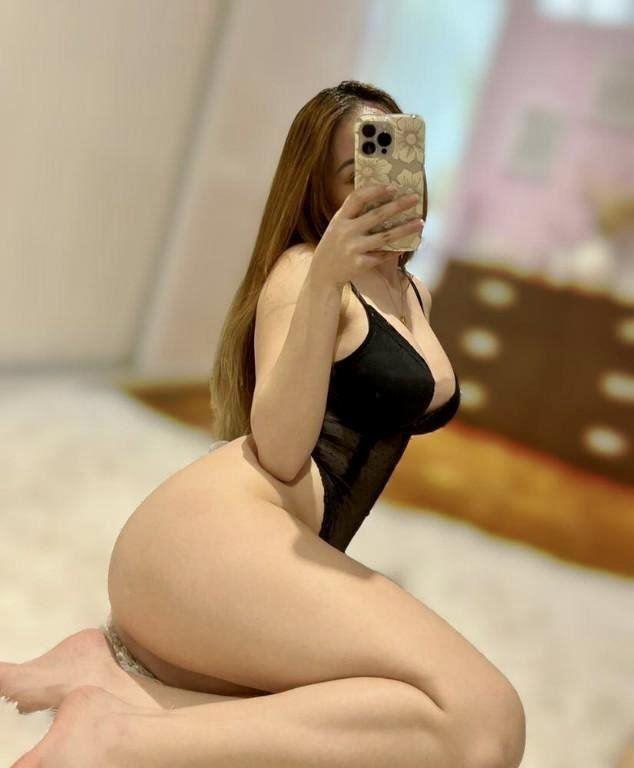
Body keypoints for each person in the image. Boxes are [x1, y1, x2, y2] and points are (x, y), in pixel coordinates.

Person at [2, 80, 525, 768]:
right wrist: (325, 280)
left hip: (274, 546)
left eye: (395, 155)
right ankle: (115, 735)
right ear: (320, 191)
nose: (387, 179)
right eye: (356, 170)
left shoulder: (412, 291)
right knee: (484, 719)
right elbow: (280, 450)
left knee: (415, 715)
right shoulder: (303, 272)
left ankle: (107, 678)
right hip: (213, 534)